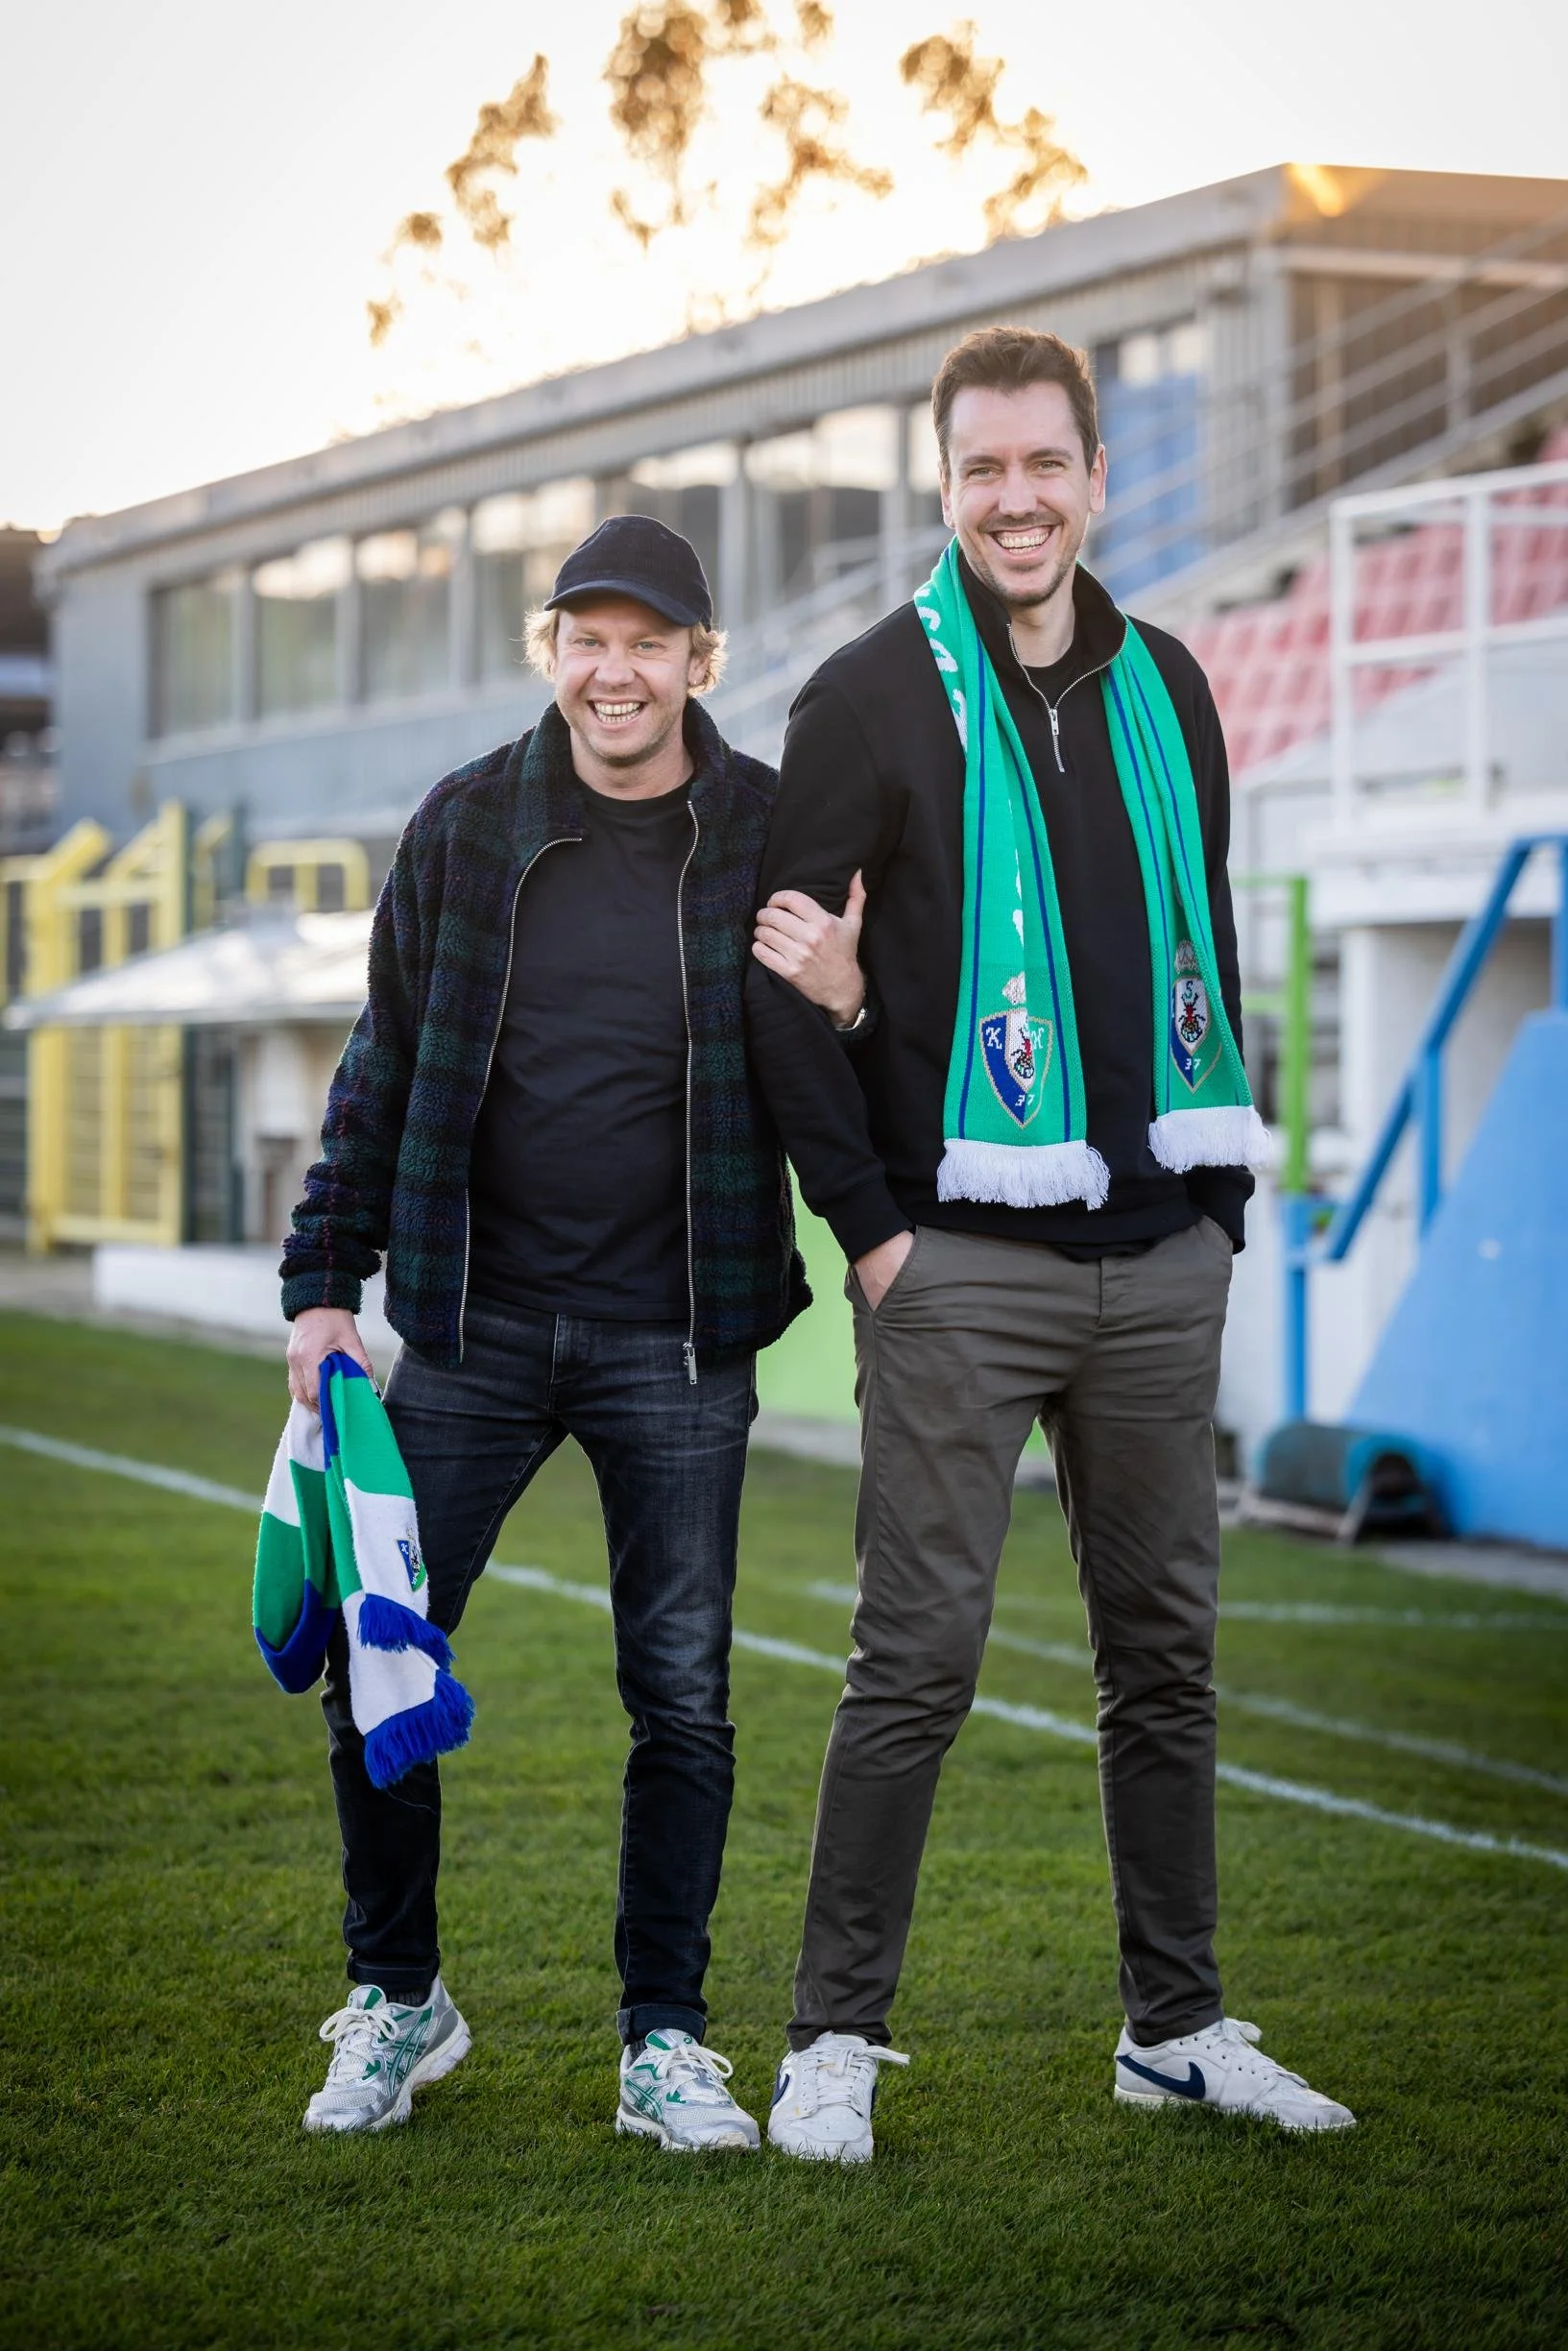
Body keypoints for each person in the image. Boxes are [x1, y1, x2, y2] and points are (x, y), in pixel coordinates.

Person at [745, 326, 1356, 2160]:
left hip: (1161, 1261)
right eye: (980, 468)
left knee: (1164, 1656)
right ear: (946, 486)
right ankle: (830, 2040)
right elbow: (783, 986)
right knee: (915, 1661)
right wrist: (870, 1240)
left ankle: (1175, 2025)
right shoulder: (865, 695)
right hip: (958, 1267)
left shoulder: (1172, 682)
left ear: (1098, 475)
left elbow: (1207, 944)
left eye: (1045, 464)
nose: (1016, 498)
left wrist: (1221, 1212)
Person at [279, 515, 860, 2150]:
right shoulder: (467, 822)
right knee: (377, 1658)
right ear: (556, 653)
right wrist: (326, 1284)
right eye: (586, 639)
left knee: (681, 1699)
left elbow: (842, 1037)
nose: (617, 671)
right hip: (470, 1326)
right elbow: (379, 1068)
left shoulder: (763, 828)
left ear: (698, 662)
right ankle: (399, 1995)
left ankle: (662, 2042)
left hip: (682, 1341)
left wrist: (858, 998)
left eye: (649, 642)